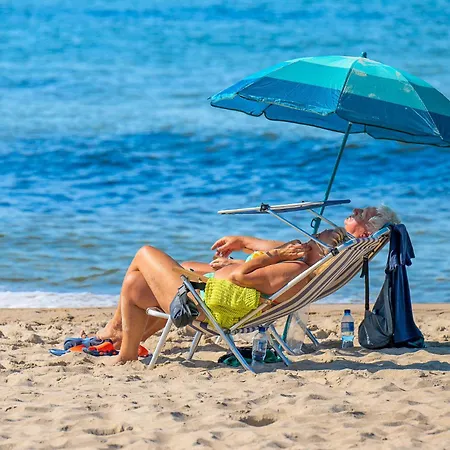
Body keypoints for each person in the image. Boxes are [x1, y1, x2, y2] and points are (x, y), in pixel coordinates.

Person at [94, 204, 399, 363]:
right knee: (136, 283)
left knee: (145, 253)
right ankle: (126, 349)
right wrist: (244, 247)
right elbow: (258, 267)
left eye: (319, 237)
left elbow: (242, 278)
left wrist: (258, 259)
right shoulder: (307, 261)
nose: (311, 238)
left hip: (206, 305)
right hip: (211, 293)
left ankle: (114, 332)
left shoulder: (294, 269)